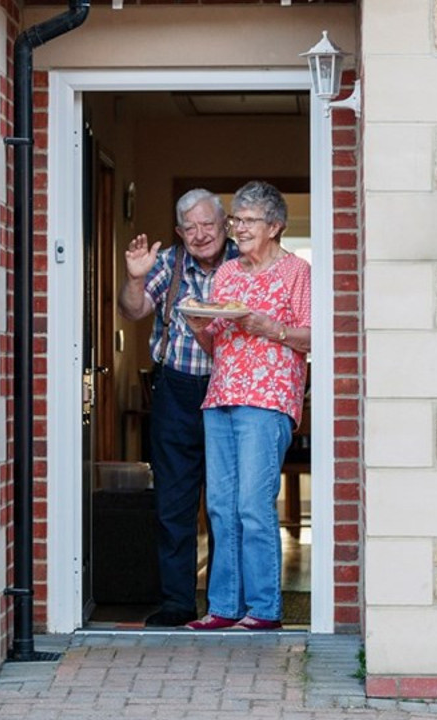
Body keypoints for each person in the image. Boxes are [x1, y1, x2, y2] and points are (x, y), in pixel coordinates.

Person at [183, 180, 311, 632]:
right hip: (221, 396)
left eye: (248, 220)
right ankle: (223, 606)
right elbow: (217, 343)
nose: (237, 228)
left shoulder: (298, 272)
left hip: (269, 397)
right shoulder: (228, 274)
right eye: (235, 219)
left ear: (274, 226)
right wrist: (199, 324)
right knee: (220, 505)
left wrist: (269, 328)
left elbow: (313, 336)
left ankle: (264, 609)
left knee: (253, 506)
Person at [118, 188, 238, 627]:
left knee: (230, 503)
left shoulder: (244, 262)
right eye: (190, 227)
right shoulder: (167, 263)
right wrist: (134, 277)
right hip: (176, 390)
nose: (200, 234)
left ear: (224, 225)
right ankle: (177, 603)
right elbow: (133, 311)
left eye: (208, 224)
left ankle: (230, 604)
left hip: (232, 391)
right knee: (173, 502)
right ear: (179, 231)